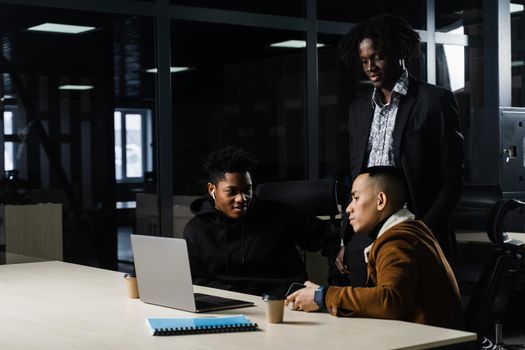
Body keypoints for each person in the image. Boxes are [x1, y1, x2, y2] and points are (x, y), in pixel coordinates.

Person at [335, 14, 464, 286]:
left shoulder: (434, 101)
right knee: (365, 319)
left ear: (398, 54)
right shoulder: (358, 110)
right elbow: (356, 177)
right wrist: (348, 239)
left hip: (416, 231)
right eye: (364, 61)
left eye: (378, 57)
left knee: (418, 323)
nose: (370, 67)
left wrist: (423, 229)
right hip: (366, 236)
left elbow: (452, 178)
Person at [286, 166, 464, 330]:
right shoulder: (411, 231)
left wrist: (322, 296)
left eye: (356, 198)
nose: (348, 208)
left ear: (380, 201)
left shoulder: (397, 241)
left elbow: (391, 300)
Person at [183, 145, 341, 297]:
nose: (241, 199)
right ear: (212, 190)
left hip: (285, 304)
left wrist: (335, 289)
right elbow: (197, 282)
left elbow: (333, 238)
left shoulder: (279, 214)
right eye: (232, 192)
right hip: (231, 308)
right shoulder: (196, 230)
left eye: (247, 190)